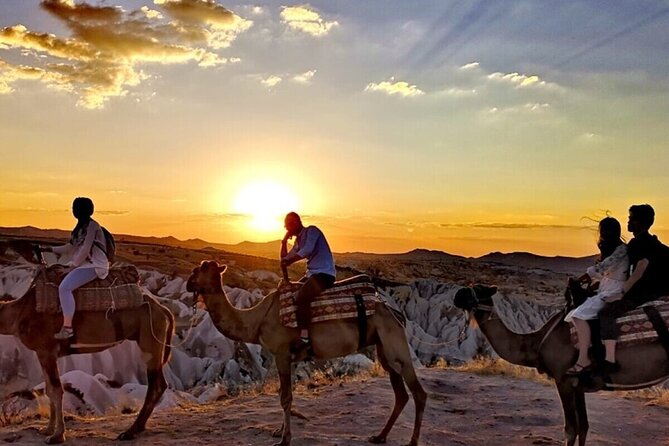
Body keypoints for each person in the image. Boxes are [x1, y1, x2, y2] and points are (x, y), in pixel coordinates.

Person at [598, 204, 669, 373]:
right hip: (647, 290)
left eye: (631, 218)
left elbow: (638, 272)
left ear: (640, 222)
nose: (628, 222)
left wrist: (621, 294)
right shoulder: (645, 242)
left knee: (605, 314)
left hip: (644, 293)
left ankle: (609, 361)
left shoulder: (642, 244)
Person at [564, 217, 628, 374]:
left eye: (606, 230)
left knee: (578, 316)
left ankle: (583, 359)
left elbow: (602, 268)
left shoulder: (621, 250)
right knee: (577, 314)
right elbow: (606, 273)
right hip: (608, 287)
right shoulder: (616, 249)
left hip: (614, 290)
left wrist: (582, 278)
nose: (604, 233)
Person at [41, 197, 110, 339]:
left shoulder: (92, 226)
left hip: (95, 265)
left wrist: (71, 267)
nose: (73, 210)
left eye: (76, 208)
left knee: (64, 288)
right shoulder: (79, 229)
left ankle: (68, 329)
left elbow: (85, 249)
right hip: (85, 264)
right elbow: (70, 247)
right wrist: (48, 249)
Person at [280, 212, 336, 353]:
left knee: (302, 297)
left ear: (298, 222)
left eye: (291, 223)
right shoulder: (298, 241)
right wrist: (284, 242)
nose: (289, 227)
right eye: (287, 226)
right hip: (312, 274)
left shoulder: (312, 231)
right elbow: (285, 258)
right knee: (292, 293)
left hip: (324, 273)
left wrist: (289, 261)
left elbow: (307, 250)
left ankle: (305, 338)